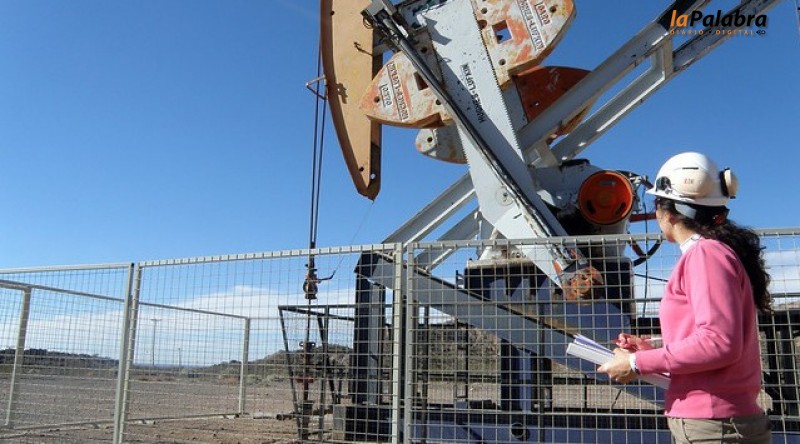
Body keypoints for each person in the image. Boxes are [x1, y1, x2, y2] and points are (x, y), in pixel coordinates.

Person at [598, 152, 772, 443]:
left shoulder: (705, 255)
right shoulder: (713, 253)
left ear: (666, 211)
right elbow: (713, 337)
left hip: (713, 425)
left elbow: (718, 342)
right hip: (721, 422)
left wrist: (637, 363)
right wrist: (651, 347)